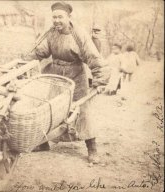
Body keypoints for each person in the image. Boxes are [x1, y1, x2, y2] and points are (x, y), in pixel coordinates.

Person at [23, 2, 114, 164]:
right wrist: (22, 63)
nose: (57, 20)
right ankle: (43, 143)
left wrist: (100, 79)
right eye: (54, 17)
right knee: (49, 108)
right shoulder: (50, 33)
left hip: (76, 76)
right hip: (56, 75)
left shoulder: (79, 35)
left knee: (83, 111)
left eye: (60, 17)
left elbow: (93, 57)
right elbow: (39, 51)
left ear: (68, 17)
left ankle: (92, 149)